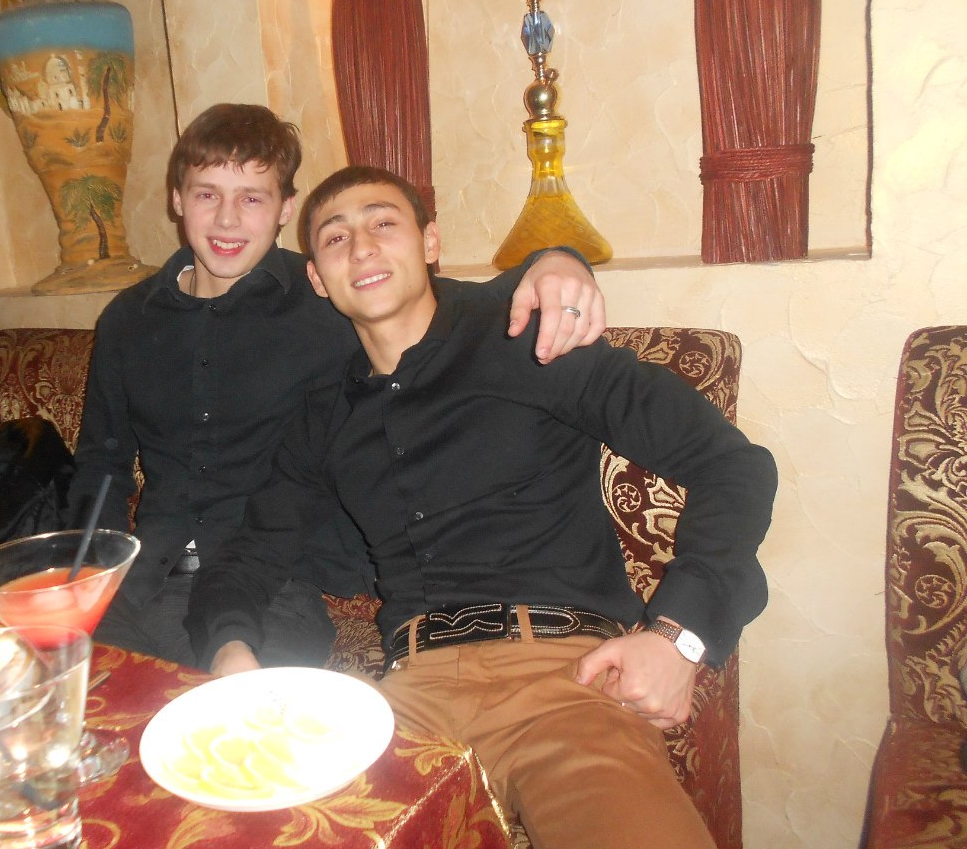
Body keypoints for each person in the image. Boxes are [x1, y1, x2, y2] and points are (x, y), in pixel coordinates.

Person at [185, 165, 777, 849]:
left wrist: (681, 637)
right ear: (318, 277)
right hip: (410, 699)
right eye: (336, 237)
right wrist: (230, 650)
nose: (363, 247)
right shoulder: (325, 414)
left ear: (430, 243)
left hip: (564, 680)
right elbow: (251, 552)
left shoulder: (531, 344)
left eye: (384, 224)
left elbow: (732, 466)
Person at [70, 104, 607, 669]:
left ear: (285, 209)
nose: (227, 220)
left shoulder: (327, 295)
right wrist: (86, 572)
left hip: (278, 584)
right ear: (177, 199)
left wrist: (558, 260)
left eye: (252, 198)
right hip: (138, 581)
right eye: (207, 195)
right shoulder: (128, 319)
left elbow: (444, 305)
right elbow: (101, 464)